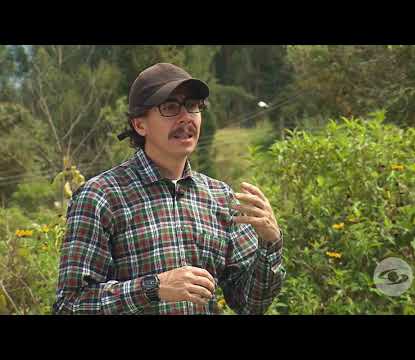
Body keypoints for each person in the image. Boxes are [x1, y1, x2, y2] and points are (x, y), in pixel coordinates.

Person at [53, 63, 285, 315]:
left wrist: (270, 242)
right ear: (140, 125)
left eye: (193, 106)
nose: (186, 117)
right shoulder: (100, 196)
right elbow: (70, 305)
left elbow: (250, 304)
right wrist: (154, 288)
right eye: (170, 107)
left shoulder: (220, 197)